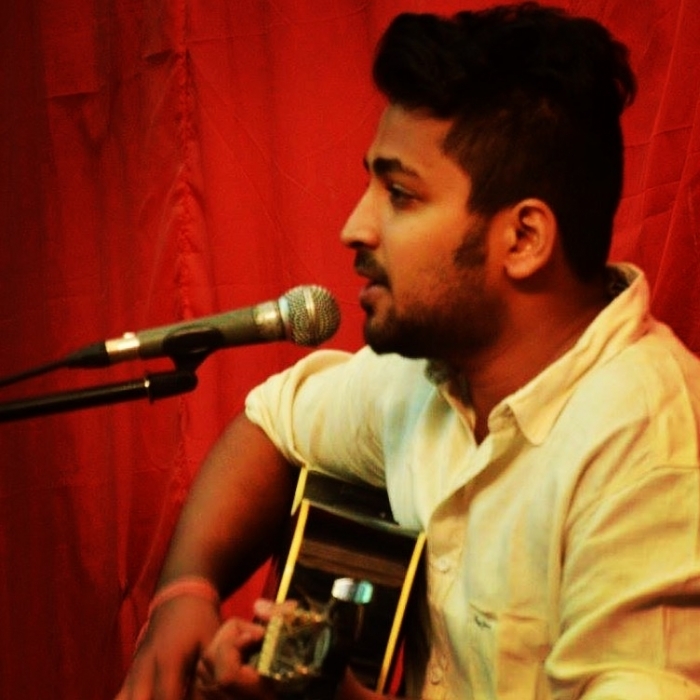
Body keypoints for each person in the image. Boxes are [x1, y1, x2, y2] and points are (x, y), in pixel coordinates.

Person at [116, 3, 700, 699]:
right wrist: (184, 593)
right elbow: (272, 424)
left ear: (523, 239)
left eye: (399, 194)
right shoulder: (431, 376)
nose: (354, 226)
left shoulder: (652, 459)